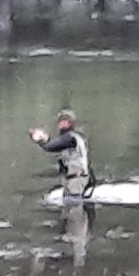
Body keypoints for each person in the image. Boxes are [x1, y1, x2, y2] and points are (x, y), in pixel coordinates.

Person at [29, 109, 96, 265]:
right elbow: (56, 145)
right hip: (76, 179)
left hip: (76, 180)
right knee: (72, 210)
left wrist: (41, 140)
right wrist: (46, 140)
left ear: (68, 123)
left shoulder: (70, 138)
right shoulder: (74, 138)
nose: (59, 123)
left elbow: (51, 147)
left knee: (74, 208)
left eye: (62, 121)